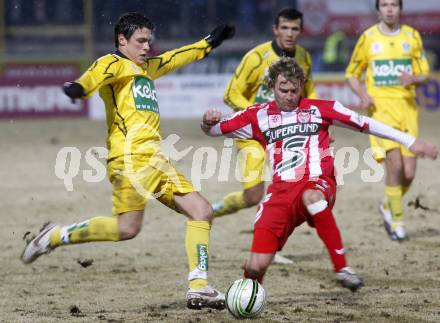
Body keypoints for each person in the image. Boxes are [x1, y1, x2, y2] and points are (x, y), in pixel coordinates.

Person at [21, 12, 235, 310]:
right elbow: (93, 77)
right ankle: (56, 236)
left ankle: (199, 287)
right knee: (126, 229)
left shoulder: (146, 67)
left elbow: (175, 57)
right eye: (141, 41)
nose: (147, 46)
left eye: (149, 40)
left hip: (157, 160)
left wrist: (209, 43)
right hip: (130, 159)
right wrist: (79, 89)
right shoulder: (113, 63)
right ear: (122, 40)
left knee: (200, 210)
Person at [201, 57, 437, 291]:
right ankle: (250, 297)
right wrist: (207, 121)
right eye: (283, 90)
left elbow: (366, 123)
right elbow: (214, 130)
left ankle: (343, 268)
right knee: (255, 266)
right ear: (271, 86)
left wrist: (411, 141)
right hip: (281, 193)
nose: (290, 95)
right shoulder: (256, 115)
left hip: (318, 182)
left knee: (312, 197)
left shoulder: (321, 109)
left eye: (295, 90)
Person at [214, 7, 316, 264]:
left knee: (290, 186)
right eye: (285, 28)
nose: (290, 34)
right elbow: (231, 94)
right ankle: (211, 211)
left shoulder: (304, 58)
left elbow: (308, 95)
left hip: (285, 132)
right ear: (275, 29)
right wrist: (257, 114)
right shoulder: (257, 57)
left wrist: (317, 123)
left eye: (295, 29)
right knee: (253, 196)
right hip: (252, 133)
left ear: (301, 31)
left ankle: (269, 245)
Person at [345, 0, 430, 241]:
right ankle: (398, 223)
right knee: (394, 165)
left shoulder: (412, 36)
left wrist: (413, 78)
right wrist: (362, 94)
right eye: (384, 4)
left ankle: (387, 204)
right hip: (381, 111)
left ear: (400, 8)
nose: (389, 8)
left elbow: (424, 73)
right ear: (378, 9)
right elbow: (351, 73)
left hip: (407, 109)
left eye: (394, 4)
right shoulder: (368, 38)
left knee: (410, 173)